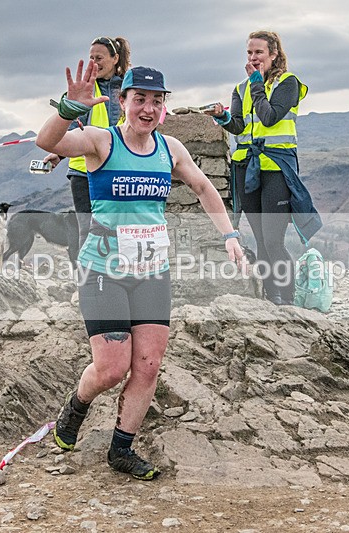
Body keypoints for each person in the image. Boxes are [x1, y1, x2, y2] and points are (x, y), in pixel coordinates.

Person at [37, 61, 245, 480]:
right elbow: (47, 143)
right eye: (140, 100)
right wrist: (68, 108)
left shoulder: (171, 149)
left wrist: (229, 235)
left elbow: (204, 188)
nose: (148, 109)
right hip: (103, 270)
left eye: (156, 101)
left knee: (148, 364)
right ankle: (76, 406)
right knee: (112, 369)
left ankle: (121, 449)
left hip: (152, 270)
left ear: (164, 106)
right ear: (123, 101)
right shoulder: (101, 142)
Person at [205, 30, 321, 305]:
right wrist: (222, 117)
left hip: (277, 169)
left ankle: (288, 298)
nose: (253, 57)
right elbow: (238, 125)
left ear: (274, 54)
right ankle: (272, 296)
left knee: (273, 240)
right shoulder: (241, 89)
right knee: (259, 239)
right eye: (249, 53)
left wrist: (257, 82)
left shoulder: (288, 83)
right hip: (247, 168)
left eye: (259, 52)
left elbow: (269, 118)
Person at [42, 36, 131, 248]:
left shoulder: (129, 89)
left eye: (99, 57)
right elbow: (72, 126)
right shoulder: (85, 88)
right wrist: (60, 153)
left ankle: (117, 275)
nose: (94, 62)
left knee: (119, 229)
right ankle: (87, 279)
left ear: (115, 58)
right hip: (83, 172)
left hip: (118, 169)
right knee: (88, 230)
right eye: (91, 58)